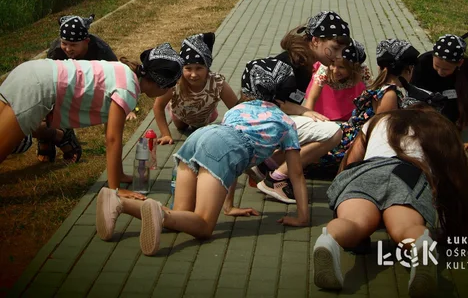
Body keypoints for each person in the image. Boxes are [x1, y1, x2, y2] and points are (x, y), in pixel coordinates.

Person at [95, 56, 309, 256]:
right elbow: (296, 174)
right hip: (222, 148)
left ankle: (118, 202)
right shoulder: (286, 123)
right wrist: (302, 216)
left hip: (199, 138)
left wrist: (230, 206)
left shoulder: (237, 110)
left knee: (179, 215)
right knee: (204, 226)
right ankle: (157, 213)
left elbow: (233, 161)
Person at [312, 105, 468, 295]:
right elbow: (456, 178)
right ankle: (420, 246)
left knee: (353, 222)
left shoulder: (377, 121)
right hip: (406, 174)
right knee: (405, 228)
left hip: (365, 172)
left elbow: (351, 162)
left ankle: (328, 241)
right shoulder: (439, 127)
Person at [0, 43, 183, 197]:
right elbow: (112, 138)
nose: (169, 92)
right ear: (159, 83)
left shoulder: (124, 71)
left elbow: (108, 128)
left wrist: (118, 174)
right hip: (38, 88)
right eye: (170, 87)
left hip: (31, 70)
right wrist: (115, 190)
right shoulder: (129, 90)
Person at [255, 10, 350, 203]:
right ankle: (276, 180)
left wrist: (306, 113)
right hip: (261, 124)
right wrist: (306, 111)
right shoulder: (292, 64)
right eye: (335, 47)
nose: (339, 55)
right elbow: (274, 103)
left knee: (319, 125)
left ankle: (268, 163)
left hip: (267, 121)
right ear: (315, 41)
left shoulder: (303, 61)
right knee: (333, 132)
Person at [314, 38, 420, 170]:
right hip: (351, 146)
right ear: (408, 70)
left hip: (346, 136)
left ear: (380, 68)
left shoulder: (382, 88)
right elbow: (382, 133)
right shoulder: (389, 94)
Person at [36, 14, 121, 163]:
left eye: (73, 45)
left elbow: (118, 76)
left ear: (86, 42)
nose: (68, 49)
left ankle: (60, 136)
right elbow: (48, 83)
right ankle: (49, 137)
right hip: (65, 83)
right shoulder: (57, 51)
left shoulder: (101, 50)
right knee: (45, 105)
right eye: (64, 43)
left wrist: (124, 106)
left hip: (91, 85)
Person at [153, 32, 238, 143]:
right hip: (180, 114)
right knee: (181, 127)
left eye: (199, 68)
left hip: (206, 115)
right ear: (182, 68)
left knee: (201, 129)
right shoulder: (174, 83)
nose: (193, 74)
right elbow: (158, 107)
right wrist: (166, 134)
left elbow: (237, 109)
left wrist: (238, 130)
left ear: (207, 68)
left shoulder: (217, 83)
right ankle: (173, 108)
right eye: (188, 68)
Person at [411, 33, 468, 143]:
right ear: (433, 56)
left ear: (460, 63)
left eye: (446, 69)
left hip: (452, 111)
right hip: (427, 108)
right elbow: (413, 96)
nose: (440, 72)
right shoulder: (423, 63)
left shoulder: (467, 69)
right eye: (437, 66)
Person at [305, 40, 371, 121]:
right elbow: (312, 98)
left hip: (349, 93)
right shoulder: (325, 69)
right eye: (332, 64)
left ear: (353, 68)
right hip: (326, 92)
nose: (335, 71)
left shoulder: (362, 70)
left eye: (341, 67)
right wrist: (308, 119)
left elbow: (372, 91)